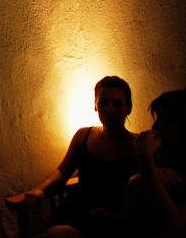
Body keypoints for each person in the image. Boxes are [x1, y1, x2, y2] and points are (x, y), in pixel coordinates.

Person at [24, 76, 138, 237]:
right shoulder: (83, 135)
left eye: (117, 104)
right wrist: (39, 189)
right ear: (95, 105)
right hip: (76, 213)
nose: (109, 110)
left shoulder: (140, 145)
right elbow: (62, 171)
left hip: (112, 222)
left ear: (129, 107)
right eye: (103, 103)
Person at [125, 89, 186, 237]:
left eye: (163, 120)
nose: (154, 127)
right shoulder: (166, 162)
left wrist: (145, 156)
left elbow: (176, 228)